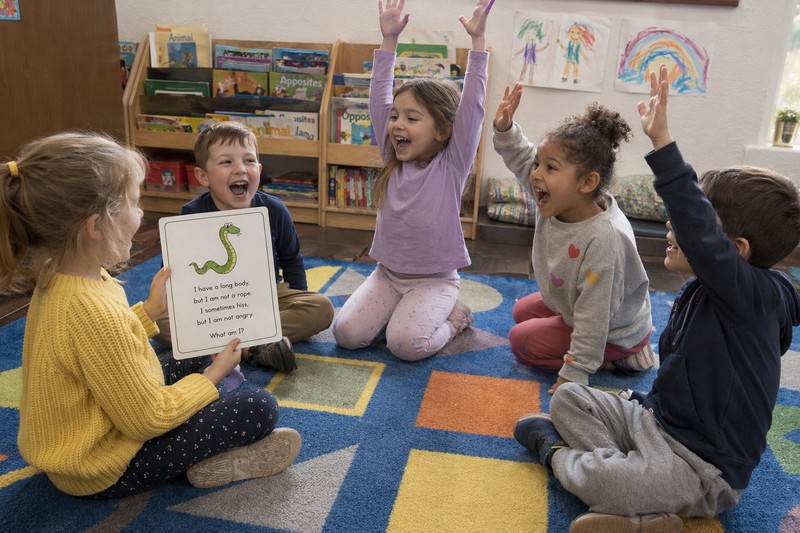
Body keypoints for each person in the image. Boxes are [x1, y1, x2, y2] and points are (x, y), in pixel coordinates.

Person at [513, 64, 800, 532]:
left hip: (703, 468)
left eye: (690, 224)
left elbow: (699, 231)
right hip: (655, 424)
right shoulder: (713, 292)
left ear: (735, 252)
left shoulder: (751, 299)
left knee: (602, 478)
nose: (673, 226)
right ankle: (643, 507)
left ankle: (568, 461)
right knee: (569, 401)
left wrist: (664, 146)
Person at [0, 132, 301, 498]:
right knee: (259, 406)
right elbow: (148, 419)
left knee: (193, 349)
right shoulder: (91, 311)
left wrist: (148, 313)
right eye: (134, 203)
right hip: (101, 466)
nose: (141, 214)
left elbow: (98, 351)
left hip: (89, 429)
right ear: (97, 226)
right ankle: (216, 461)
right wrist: (212, 377)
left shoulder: (65, 279)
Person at [332, 0, 494, 361]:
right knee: (344, 333)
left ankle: (454, 317)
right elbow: (379, 96)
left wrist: (478, 42)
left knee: (405, 346)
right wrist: (388, 40)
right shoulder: (392, 155)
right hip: (387, 275)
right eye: (395, 117)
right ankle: (400, 311)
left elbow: (473, 107)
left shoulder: (453, 163)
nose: (398, 125)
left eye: (412, 118)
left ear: (443, 130)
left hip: (434, 281)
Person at [493, 84, 654, 394]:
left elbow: (594, 319)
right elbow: (522, 157)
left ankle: (622, 360)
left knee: (522, 342)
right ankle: (591, 347)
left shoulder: (603, 240)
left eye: (550, 167)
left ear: (587, 182)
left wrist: (574, 373)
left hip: (614, 331)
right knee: (520, 312)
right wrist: (505, 129)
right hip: (583, 305)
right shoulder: (558, 196)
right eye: (539, 163)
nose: (536, 173)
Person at [155, 120, 334, 373]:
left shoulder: (273, 209)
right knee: (157, 321)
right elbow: (172, 276)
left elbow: (292, 260)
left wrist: (298, 298)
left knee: (322, 308)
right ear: (203, 176)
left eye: (249, 161)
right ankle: (254, 347)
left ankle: (223, 346)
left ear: (259, 169)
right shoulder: (190, 215)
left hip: (265, 297)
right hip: (210, 303)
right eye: (226, 162)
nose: (240, 169)